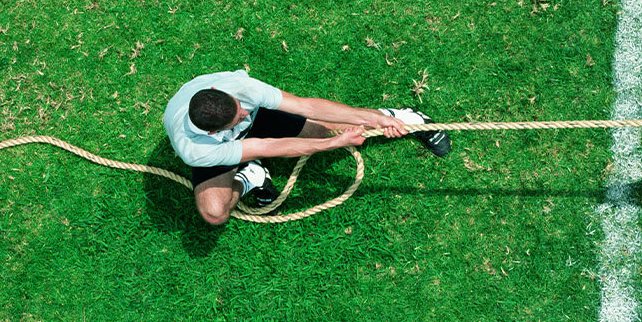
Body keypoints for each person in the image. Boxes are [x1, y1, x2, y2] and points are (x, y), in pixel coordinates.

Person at [162, 70, 450, 225]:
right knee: (214, 212)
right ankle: (253, 176)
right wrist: (331, 145)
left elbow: (306, 105)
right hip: (225, 148)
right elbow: (266, 146)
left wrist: (376, 119)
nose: (246, 114)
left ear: (216, 92)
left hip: (238, 138)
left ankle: (404, 116)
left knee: (324, 125)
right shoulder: (195, 149)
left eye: (241, 108)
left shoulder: (238, 87)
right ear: (215, 131)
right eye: (240, 117)